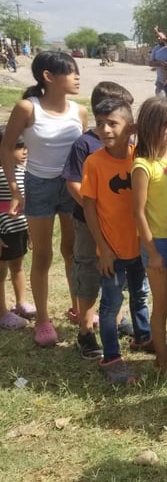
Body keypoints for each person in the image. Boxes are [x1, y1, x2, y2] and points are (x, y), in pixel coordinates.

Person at [0, 51, 85, 347]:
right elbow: (7, 147)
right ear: (48, 77)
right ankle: (45, 320)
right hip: (38, 186)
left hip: (71, 186)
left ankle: (78, 309)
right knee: (43, 254)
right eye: (71, 71)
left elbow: (85, 153)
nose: (77, 77)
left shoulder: (79, 111)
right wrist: (14, 187)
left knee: (72, 250)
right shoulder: (28, 107)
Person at [62, 81, 137, 358]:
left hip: (121, 228)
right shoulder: (85, 145)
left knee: (118, 276)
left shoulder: (129, 144)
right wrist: (99, 208)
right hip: (88, 223)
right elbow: (73, 182)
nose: (110, 127)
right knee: (89, 272)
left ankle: (116, 321)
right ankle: (85, 331)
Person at [81, 98, 152, 384]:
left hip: (139, 249)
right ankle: (110, 356)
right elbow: (88, 207)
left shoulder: (140, 157)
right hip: (112, 250)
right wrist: (104, 249)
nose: (105, 129)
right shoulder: (94, 162)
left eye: (113, 123)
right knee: (110, 305)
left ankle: (143, 338)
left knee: (140, 295)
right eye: (100, 124)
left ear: (131, 128)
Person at [132, 97, 167, 376]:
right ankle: (163, 359)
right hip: (159, 244)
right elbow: (138, 213)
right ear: (151, 126)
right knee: (162, 303)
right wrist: (152, 252)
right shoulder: (143, 166)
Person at [0, 127, 32, 331]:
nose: (25, 150)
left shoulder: (23, 172)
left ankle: (21, 303)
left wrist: (30, 233)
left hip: (19, 229)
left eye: (25, 145)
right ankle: (2, 313)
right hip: (3, 231)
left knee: (18, 266)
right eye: (19, 146)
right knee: (0, 273)